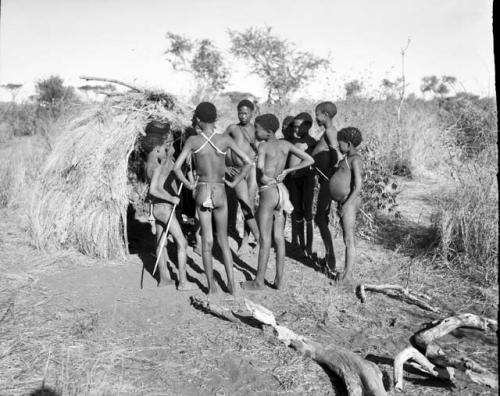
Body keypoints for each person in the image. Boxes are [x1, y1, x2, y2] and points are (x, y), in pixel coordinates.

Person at [173, 102, 252, 296]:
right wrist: (234, 183)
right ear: (215, 119)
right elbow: (248, 162)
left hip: (202, 190)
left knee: (206, 242)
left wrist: (190, 184)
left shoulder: (193, 141)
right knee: (223, 240)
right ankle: (232, 285)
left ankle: (211, 286)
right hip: (220, 190)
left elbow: (176, 168)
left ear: (198, 120)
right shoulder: (225, 139)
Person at [241, 114, 314, 291]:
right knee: (279, 238)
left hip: (268, 193)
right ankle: (279, 281)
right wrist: (288, 170)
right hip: (282, 192)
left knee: (265, 240)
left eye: (257, 128)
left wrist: (261, 175)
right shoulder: (286, 145)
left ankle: (258, 281)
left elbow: (260, 170)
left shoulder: (264, 146)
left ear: (268, 132)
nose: (255, 131)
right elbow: (310, 160)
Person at [143, 121, 195, 291]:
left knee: (160, 242)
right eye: (167, 142)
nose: (169, 145)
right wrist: (172, 197)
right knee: (182, 242)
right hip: (165, 207)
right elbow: (157, 186)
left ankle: (164, 278)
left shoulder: (148, 163)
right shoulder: (162, 159)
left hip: (156, 207)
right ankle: (183, 282)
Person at [224, 99, 260, 253]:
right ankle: (260, 239)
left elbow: (263, 147)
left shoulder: (256, 130)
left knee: (249, 205)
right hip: (237, 170)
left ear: (252, 113)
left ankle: (245, 240)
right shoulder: (232, 128)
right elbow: (219, 145)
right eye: (240, 113)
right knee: (244, 203)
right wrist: (225, 166)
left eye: (246, 113)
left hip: (251, 169)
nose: (243, 116)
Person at [328, 127, 363, 281]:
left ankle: (347, 276)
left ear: (348, 144)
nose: (338, 146)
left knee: (349, 239)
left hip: (350, 201)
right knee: (345, 238)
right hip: (344, 201)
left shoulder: (355, 159)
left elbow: (358, 186)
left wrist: (347, 205)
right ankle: (345, 273)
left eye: (340, 143)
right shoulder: (345, 159)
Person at [312, 101, 340, 273]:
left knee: (320, 219)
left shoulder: (330, 132)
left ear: (326, 115)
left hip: (328, 180)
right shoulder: (327, 132)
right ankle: (329, 257)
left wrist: (329, 176)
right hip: (325, 179)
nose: (316, 117)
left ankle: (331, 260)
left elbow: (336, 157)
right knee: (321, 218)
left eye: (317, 114)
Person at [287, 112, 317, 259]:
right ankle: (300, 245)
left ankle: (309, 248)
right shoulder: (292, 141)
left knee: (308, 214)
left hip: (307, 181)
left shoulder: (312, 143)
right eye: (294, 127)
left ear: (308, 126)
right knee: (297, 211)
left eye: (299, 127)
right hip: (294, 182)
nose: (296, 130)